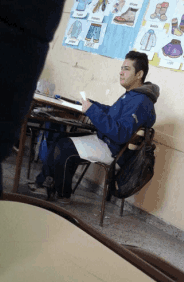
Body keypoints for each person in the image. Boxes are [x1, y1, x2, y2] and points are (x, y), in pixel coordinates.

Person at [29, 51, 160, 204]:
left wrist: (92, 110)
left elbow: (120, 134)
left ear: (139, 74)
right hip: (107, 142)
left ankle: (62, 194)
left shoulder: (140, 101)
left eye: (126, 69)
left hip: (114, 151)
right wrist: (91, 104)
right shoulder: (133, 95)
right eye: (121, 68)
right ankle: (45, 182)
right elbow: (112, 113)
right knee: (60, 137)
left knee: (64, 147)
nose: (121, 72)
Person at [0, 0, 67, 198]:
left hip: (25, 32)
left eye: (127, 68)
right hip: (29, 32)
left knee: (61, 142)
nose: (122, 72)